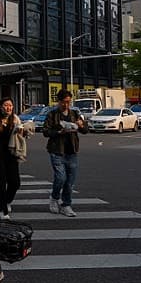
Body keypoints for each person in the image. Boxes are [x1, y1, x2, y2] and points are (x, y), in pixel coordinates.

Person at [43, 89, 88, 217]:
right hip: (57, 150)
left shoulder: (74, 114)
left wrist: (81, 125)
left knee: (70, 181)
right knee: (60, 178)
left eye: (68, 102)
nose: (66, 105)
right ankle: (54, 197)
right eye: (64, 102)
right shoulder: (52, 114)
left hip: (71, 151)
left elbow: (85, 130)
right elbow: (45, 131)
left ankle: (66, 204)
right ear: (59, 101)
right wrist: (58, 132)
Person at [0, 97, 27, 219]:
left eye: (10, 106)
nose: (8, 108)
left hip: (12, 155)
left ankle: (7, 201)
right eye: (6, 105)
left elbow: (22, 135)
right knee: (1, 183)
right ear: (1, 107)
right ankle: (2, 210)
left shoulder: (15, 119)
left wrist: (24, 132)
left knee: (15, 183)